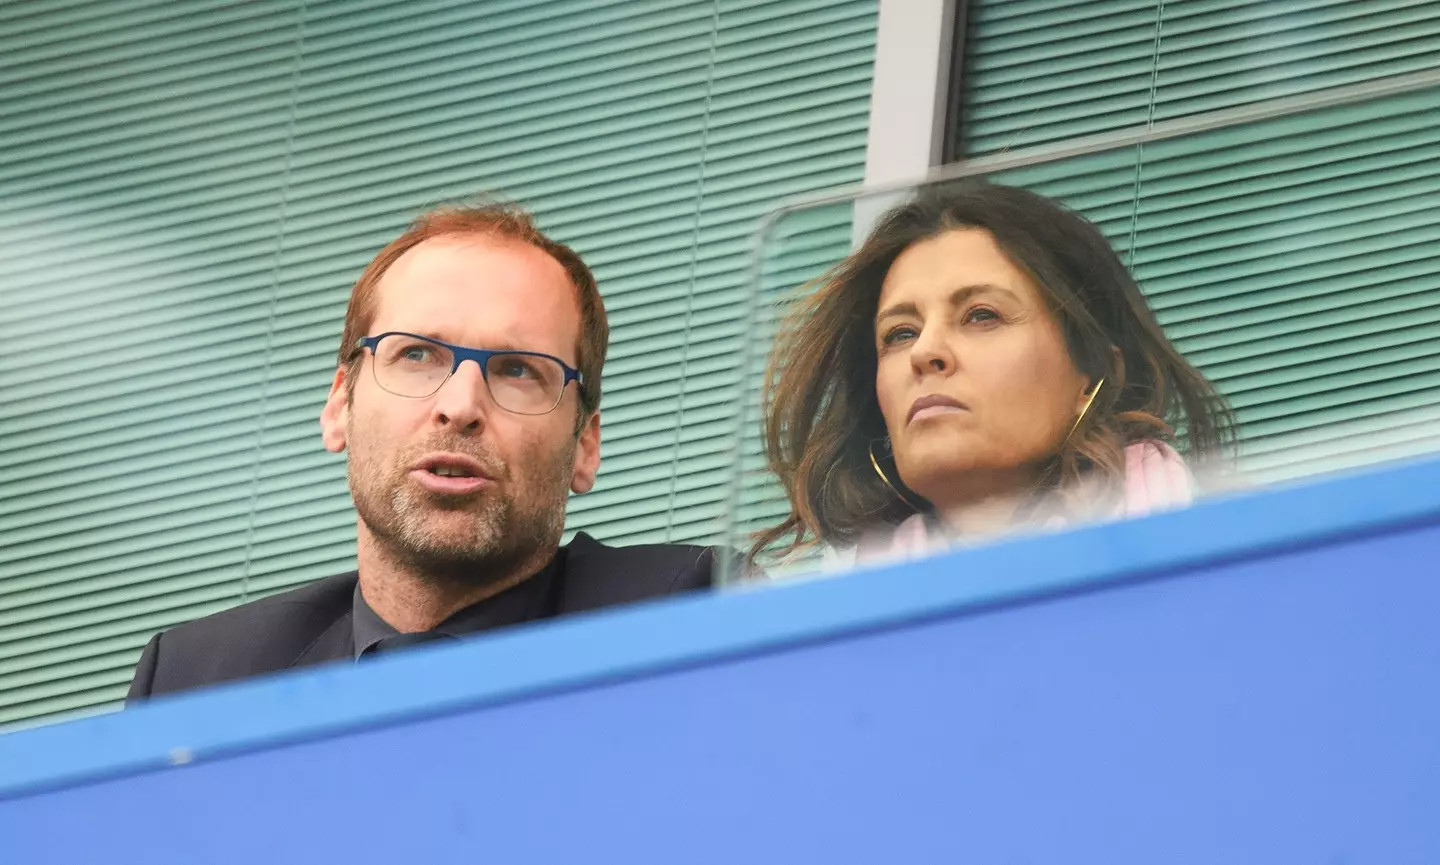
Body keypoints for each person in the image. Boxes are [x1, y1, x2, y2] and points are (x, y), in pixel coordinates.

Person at [128, 201, 718, 701]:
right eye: (415, 354)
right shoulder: (201, 681)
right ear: (340, 406)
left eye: (517, 370)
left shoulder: (686, 618)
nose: (460, 406)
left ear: (585, 445)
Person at [754, 180, 1235, 566]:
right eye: (900, 334)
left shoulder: (1241, 547)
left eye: (981, 315)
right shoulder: (839, 623)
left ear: (1095, 371)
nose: (925, 352)